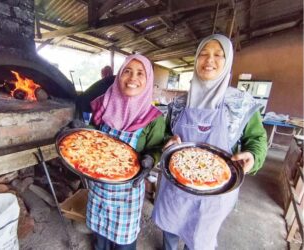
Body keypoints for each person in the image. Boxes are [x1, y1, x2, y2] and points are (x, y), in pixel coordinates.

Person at [152, 34, 267, 250]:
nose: (209, 60)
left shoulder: (240, 103)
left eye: (218, 55)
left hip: (214, 191)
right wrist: (167, 141)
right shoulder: (179, 103)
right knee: (170, 232)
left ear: (228, 61)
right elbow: (164, 134)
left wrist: (253, 155)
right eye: (203, 54)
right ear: (195, 59)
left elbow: (257, 139)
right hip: (175, 186)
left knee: (198, 238)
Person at [87, 55, 166, 249]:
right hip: (98, 186)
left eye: (140, 73)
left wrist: (151, 158)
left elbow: (156, 148)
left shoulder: (153, 118)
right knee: (99, 239)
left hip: (127, 194)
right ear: (118, 76)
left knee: (124, 243)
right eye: (127, 71)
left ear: (148, 81)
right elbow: (90, 138)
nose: (132, 78)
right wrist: (81, 130)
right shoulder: (102, 104)